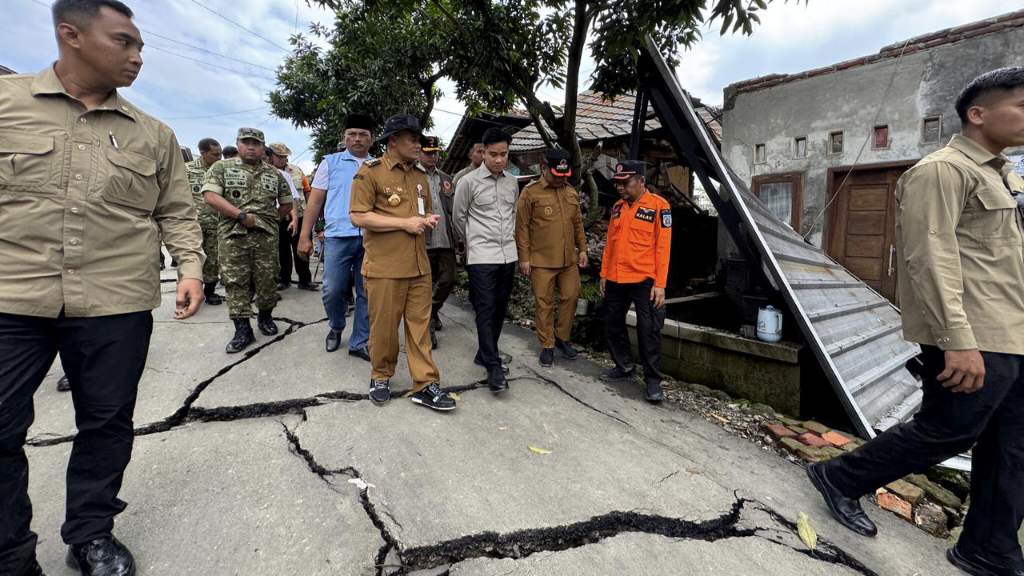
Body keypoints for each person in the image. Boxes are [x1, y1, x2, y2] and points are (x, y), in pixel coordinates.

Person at [0, 1, 205, 574]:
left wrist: (190, 269)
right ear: (71, 34)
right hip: (12, 298)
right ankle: (10, 554)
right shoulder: (6, 105)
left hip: (115, 302)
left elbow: (178, 211)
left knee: (107, 424)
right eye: (125, 42)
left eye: (139, 46)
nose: (137, 57)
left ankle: (90, 533)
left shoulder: (153, 134)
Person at [806, 67, 1024, 576]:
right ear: (979, 113)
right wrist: (956, 342)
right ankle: (841, 478)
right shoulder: (943, 171)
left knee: (1012, 446)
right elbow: (929, 258)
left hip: (1013, 334)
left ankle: (989, 548)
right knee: (949, 431)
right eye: (1021, 106)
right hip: (975, 333)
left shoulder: (1002, 175)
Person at [349, 114, 456, 411]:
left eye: (419, 139)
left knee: (420, 328)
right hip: (385, 267)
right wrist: (404, 224)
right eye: (412, 139)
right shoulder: (370, 173)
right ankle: (381, 375)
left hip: (419, 266)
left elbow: (419, 215)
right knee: (384, 328)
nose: (418, 145)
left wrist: (426, 220)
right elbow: (358, 216)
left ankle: (425, 383)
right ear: (393, 141)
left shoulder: (420, 175)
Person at [202, 128, 293, 354]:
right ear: (238, 144)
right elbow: (210, 196)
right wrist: (240, 216)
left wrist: (270, 220)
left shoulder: (275, 174)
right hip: (233, 236)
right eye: (246, 142)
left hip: (266, 237)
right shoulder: (222, 168)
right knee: (235, 282)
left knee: (268, 279)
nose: (251, 146)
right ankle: (242, 329)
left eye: (256, 143)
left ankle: (265, 317)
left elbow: (287, 204)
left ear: (264, 148)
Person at [297, 114, 375, 361]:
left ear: (372, 140)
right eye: (352, 133)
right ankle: (337, 325)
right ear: (344, 137)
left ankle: (360, 341)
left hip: (372, 238)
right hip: (338, 236)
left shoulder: (379, 165)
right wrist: (305, 236)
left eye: (363, 134)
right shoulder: (329, 163)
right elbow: (316, 200)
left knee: (367, 292)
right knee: (333, 289)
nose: (357, 138)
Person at [599, 160, 672, 403]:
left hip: (644, 280)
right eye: (618, 183)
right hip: (616, 278)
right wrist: (603, 275)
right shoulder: (618, 208)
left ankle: (652, 381)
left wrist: (660, 284)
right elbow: (610, 244)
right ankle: (624, 366)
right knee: (612, 323)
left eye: (625, 183)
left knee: (648, 329)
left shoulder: (659, 207)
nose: (620, 187)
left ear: (641, 181)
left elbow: (663, 249)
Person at [454, 127, 519, 392]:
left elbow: (513, 212)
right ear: (484, 152)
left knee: (500, 308)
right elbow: (459, 217)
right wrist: (472, 243)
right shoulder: (468, 182)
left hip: (508, 255)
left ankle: (484, 352)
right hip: (481, 255)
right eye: (493, 154)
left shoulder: (512, 182)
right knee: (485, 307)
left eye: (504, 154)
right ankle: (492, 366)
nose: (499, 159)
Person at [515, 149, 587, 367]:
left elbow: (577, 224)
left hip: (568, 260)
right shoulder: (530, 193)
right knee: (544, 303)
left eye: (564, 175)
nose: (560, 179)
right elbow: (522, 228)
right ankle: (547, 344)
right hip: (541, 260)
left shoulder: (571, 192)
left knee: (571, 297)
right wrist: (524, 258)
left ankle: (562, 338)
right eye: (556, 174)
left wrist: (582, 249)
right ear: (544, 168)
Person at [419, 135, 457, 349]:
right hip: (422, 240)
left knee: (449, 279)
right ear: (419, 152)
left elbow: (453, 210)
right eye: (427, 152)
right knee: (424, 286)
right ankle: (428, 329)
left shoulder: (446, 178)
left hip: (445, 239)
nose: (432, 156)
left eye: (435, 152)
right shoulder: (412, 175)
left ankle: (431, 312)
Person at [267, 143, 312, 290]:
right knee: (282, 250)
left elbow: (307, 192)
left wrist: (311, 212)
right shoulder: (266, 172)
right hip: (279, 217)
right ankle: (284, 279)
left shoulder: (297, 171)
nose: (282, 160)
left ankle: (305, 280)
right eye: (279, 156)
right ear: (271, 155)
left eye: (285, 157)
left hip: (300, 216)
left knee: (302, 248)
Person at [185, 137, 224, 305]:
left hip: (216, 223)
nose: (219, 157)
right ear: (203, 153)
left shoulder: (222, 170)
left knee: (213, 259)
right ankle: (189, 294)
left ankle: (210, 292)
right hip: (193, 224)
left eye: (220, 154)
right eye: (215, 154)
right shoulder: (187, 170)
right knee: (191, 259)